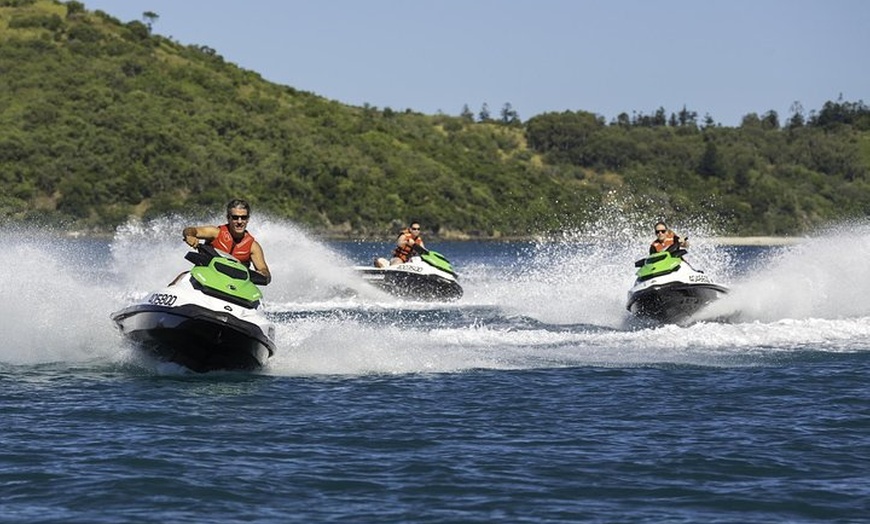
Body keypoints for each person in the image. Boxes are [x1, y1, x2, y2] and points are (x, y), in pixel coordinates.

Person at [182, 199, 271, 284]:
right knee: (183, 276)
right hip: (205, 279)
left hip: (233, 287)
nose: (239, 222)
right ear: (228, 218)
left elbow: (265, 272)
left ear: (247, 219)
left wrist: (263, 274)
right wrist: (189, 236)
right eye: (235, 217)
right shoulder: (215, 233)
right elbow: (191, 230)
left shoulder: (253, 247)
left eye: (243, 218)